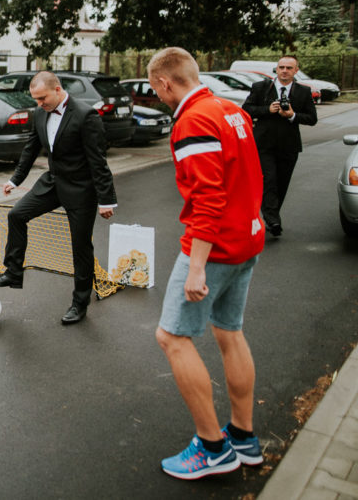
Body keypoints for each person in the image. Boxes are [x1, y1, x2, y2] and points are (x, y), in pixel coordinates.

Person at [147, 47, 265, 480]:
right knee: (228, 330)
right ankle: (243, 437)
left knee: (172, 337)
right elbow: (251, 174)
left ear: (165, 83)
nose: (157, 95)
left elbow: (209, 198)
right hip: (247, 238)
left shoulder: (194, 119)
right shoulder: (228, 108)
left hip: (214, 246)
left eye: (156, 89)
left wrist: (196, 266)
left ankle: (213, 447)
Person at [0, 70, 116, 325]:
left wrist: (106, 199)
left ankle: (79, 304)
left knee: (80, 248)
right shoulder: (40, 112)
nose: (39, 103)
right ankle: (13, 272)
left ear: (57, 89)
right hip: (53, 182)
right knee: (17, 215)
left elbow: (98, 161)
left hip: (81, 188)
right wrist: (15, 179)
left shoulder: (85, 115)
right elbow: (31, 147)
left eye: (42, 98)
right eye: (35, 99)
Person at [241, 55, 317, 237]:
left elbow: (312, 119)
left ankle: (271, 215)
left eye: (289, 68)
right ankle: (273, 220)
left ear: (296, 70)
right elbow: (246, 110)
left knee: (282, 183)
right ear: (276, 69)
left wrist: (292, 115)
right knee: (269, 180)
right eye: (281, 67)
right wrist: (267, 110)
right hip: (263, 144)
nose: (284, 71)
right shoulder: (261, 87)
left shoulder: (303, 92)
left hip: (289, 146)